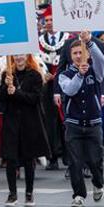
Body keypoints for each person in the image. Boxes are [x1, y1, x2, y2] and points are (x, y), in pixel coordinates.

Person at [58, 31, 104, 207]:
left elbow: (102, 61)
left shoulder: (95, 70)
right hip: (74, 125)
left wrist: (90, 43)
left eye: (81, 52)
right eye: (75, 54)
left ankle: (98, 183)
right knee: (75, 163)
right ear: (70, 57)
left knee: (95, 160)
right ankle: (78, 194)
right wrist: (79, 75)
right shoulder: (65, 75)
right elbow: (70, 90)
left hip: (93, 123)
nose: (79, 56)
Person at [0, 54, 50, 207]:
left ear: (27, 56)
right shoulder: (6, 74)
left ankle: (29, 192)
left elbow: (35, 98)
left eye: (22, 54)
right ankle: (12, 193)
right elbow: (0, 99)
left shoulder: (35, 75)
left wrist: (17, 92)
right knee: (11, 158)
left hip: (30, 122)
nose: (19, 57)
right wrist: (5, 87)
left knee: (28, 158)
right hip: (11, 121)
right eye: (16, 55)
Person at [38, 12, 69, 170]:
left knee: (66, 119)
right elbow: (36, 60)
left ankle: (68, 154)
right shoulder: (39, 41)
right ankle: (53, 156)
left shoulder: (68, 38)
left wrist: (59, 74)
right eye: (47, 20)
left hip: (64, 84)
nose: (49, 23)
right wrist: (44, 74)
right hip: (46, 86)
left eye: (52, 19)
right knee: (49, 121)